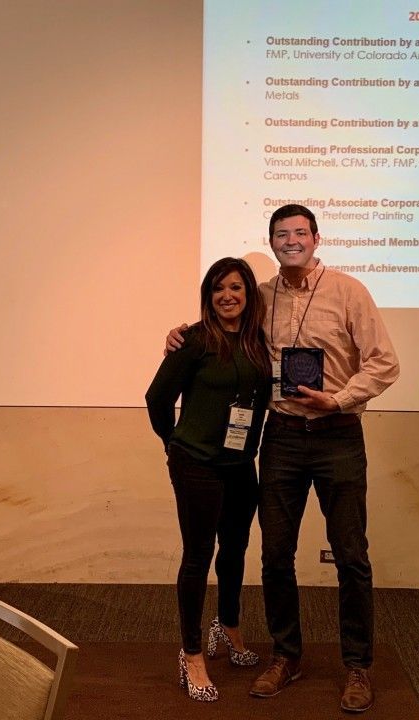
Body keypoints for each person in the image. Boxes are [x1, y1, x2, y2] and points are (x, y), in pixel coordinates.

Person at [167, 205, 399, 713]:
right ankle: (286, 655)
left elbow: (385, 362)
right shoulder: (261, 296)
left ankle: (357, 665)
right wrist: (182, 335)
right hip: (282, 438)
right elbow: (224, 322)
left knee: (351, 555)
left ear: (316, 238)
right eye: (281, 234)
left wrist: (339, 399)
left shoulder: (349, 291)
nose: (291, 240)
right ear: (272, 241)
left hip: (338, 436)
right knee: (275, 555)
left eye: (300, 233)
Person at [146, 257, 271, 702]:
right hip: (196, 464)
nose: (227, 296)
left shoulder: (260, 342)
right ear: (208, 296)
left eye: (235, 287)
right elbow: (156, 398)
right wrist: (175, 443)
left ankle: (229, 624)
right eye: (218, 288)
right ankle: (192, 652)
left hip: (241, 464)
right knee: (199, 555)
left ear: (249, 293)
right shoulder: (194, 341)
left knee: (235, 549)